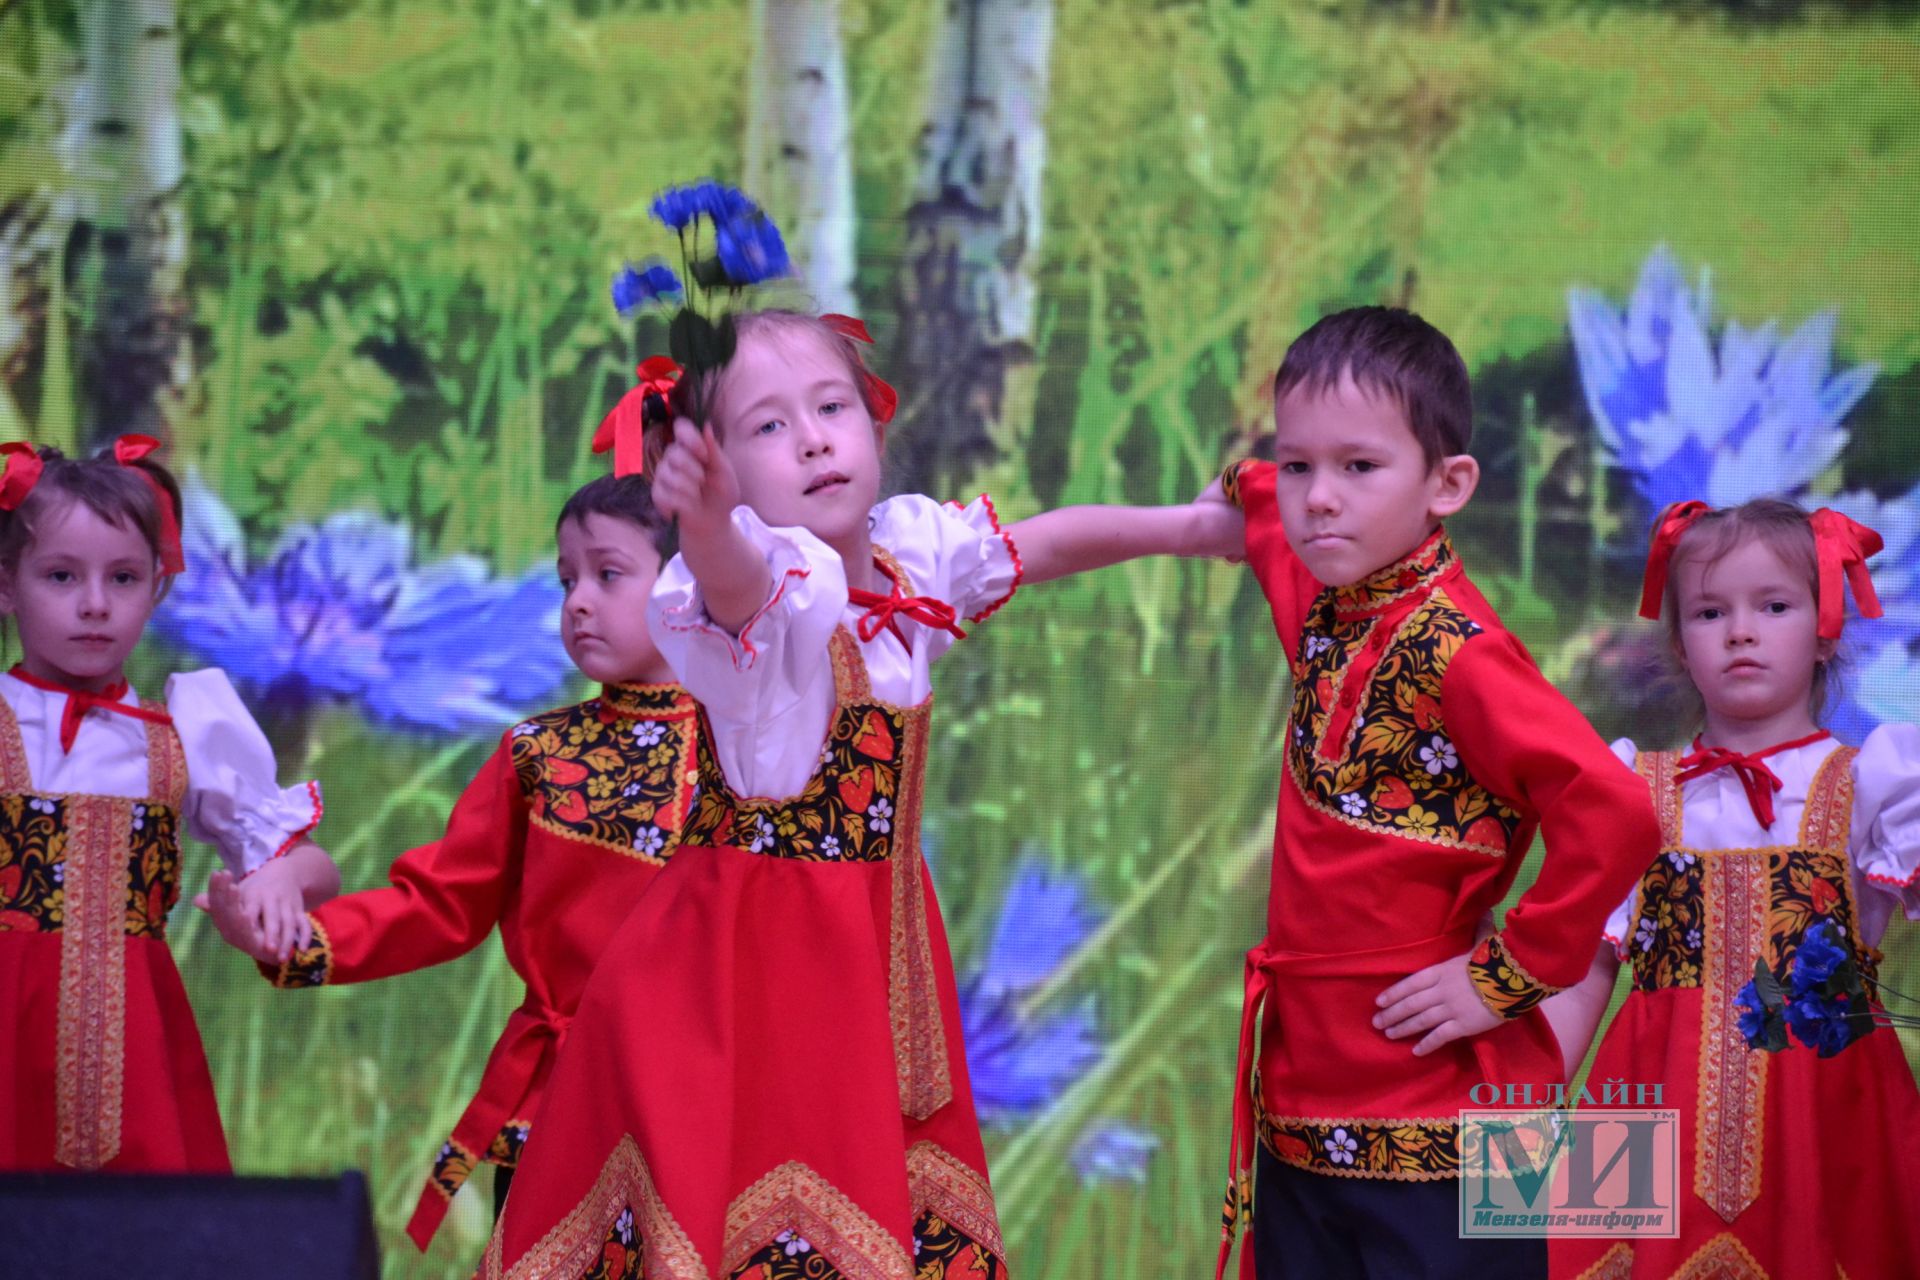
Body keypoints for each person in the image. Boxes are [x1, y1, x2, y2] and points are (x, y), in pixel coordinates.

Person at [483, 308, 1237, 1279]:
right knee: (748, 1197)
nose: (811, 437)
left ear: (874, 424)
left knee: (870, 1191)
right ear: (717, 470)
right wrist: (706, 518)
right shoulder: (762, 592)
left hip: (870, 951)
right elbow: (734, 577)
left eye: (831, 405)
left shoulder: (911, 552)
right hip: (741, 967)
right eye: (765, 426)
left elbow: (1042, 542)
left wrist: (1192, 527)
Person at [1203, 307, 1662, 1279]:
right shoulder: (1333, 596)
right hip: (1303, 1101)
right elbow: (1262, 508)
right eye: (1299, 466)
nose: (1319, 497)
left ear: (1448, 483)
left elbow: (1614, 810)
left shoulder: (1464, 653)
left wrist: (1503, 976)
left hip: (1445, 1114)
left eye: (1360, 467)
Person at [220, 472, 702, 1248]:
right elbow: (437, 904)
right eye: (567, 578)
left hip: (704, 1103)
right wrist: (292, 939)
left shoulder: (757, 758)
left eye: (608, 574)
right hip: (558, 1103)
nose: (578, 600)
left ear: (694, 579)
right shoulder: (539, 754)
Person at [1543, 497, 1920, 1278]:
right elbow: (1583, 970)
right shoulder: (1632, 793)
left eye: (1773, 605)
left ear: (1824, 630)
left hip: (1829, 1112)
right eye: (1710, 611)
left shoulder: (1871, 784)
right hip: (1643, 1103)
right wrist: (1517, 1097)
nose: (1740, 630)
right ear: (1680, 644)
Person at [0, 438, 335, 1172]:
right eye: (61, 575)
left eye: (121, 578)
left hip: (137, 1047)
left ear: (156, 586)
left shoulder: (185, 729)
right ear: (6, 584)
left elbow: (309, 862)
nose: (94, 604)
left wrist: (281, 881)